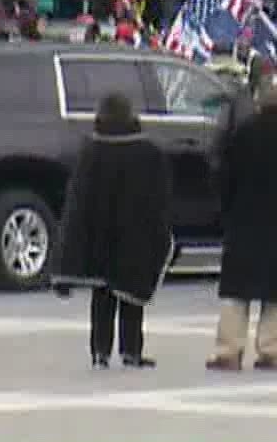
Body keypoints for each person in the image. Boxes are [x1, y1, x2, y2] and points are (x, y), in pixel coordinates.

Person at [51, 92, 173, 370]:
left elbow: (77, 200)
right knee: (131, 294)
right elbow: (159, 199)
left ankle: (100, 351)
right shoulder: (146, 152)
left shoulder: (91, 150)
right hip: (134, 236)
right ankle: (131, 351)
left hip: (98, 235)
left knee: (102, 295)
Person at [208, 74, 277, 372]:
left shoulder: (241, 134)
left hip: (243, 219)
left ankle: (229, 350)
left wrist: (226, 211)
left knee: (236, 289)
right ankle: (270, 350)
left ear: (257, 100)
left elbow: (223, 177)